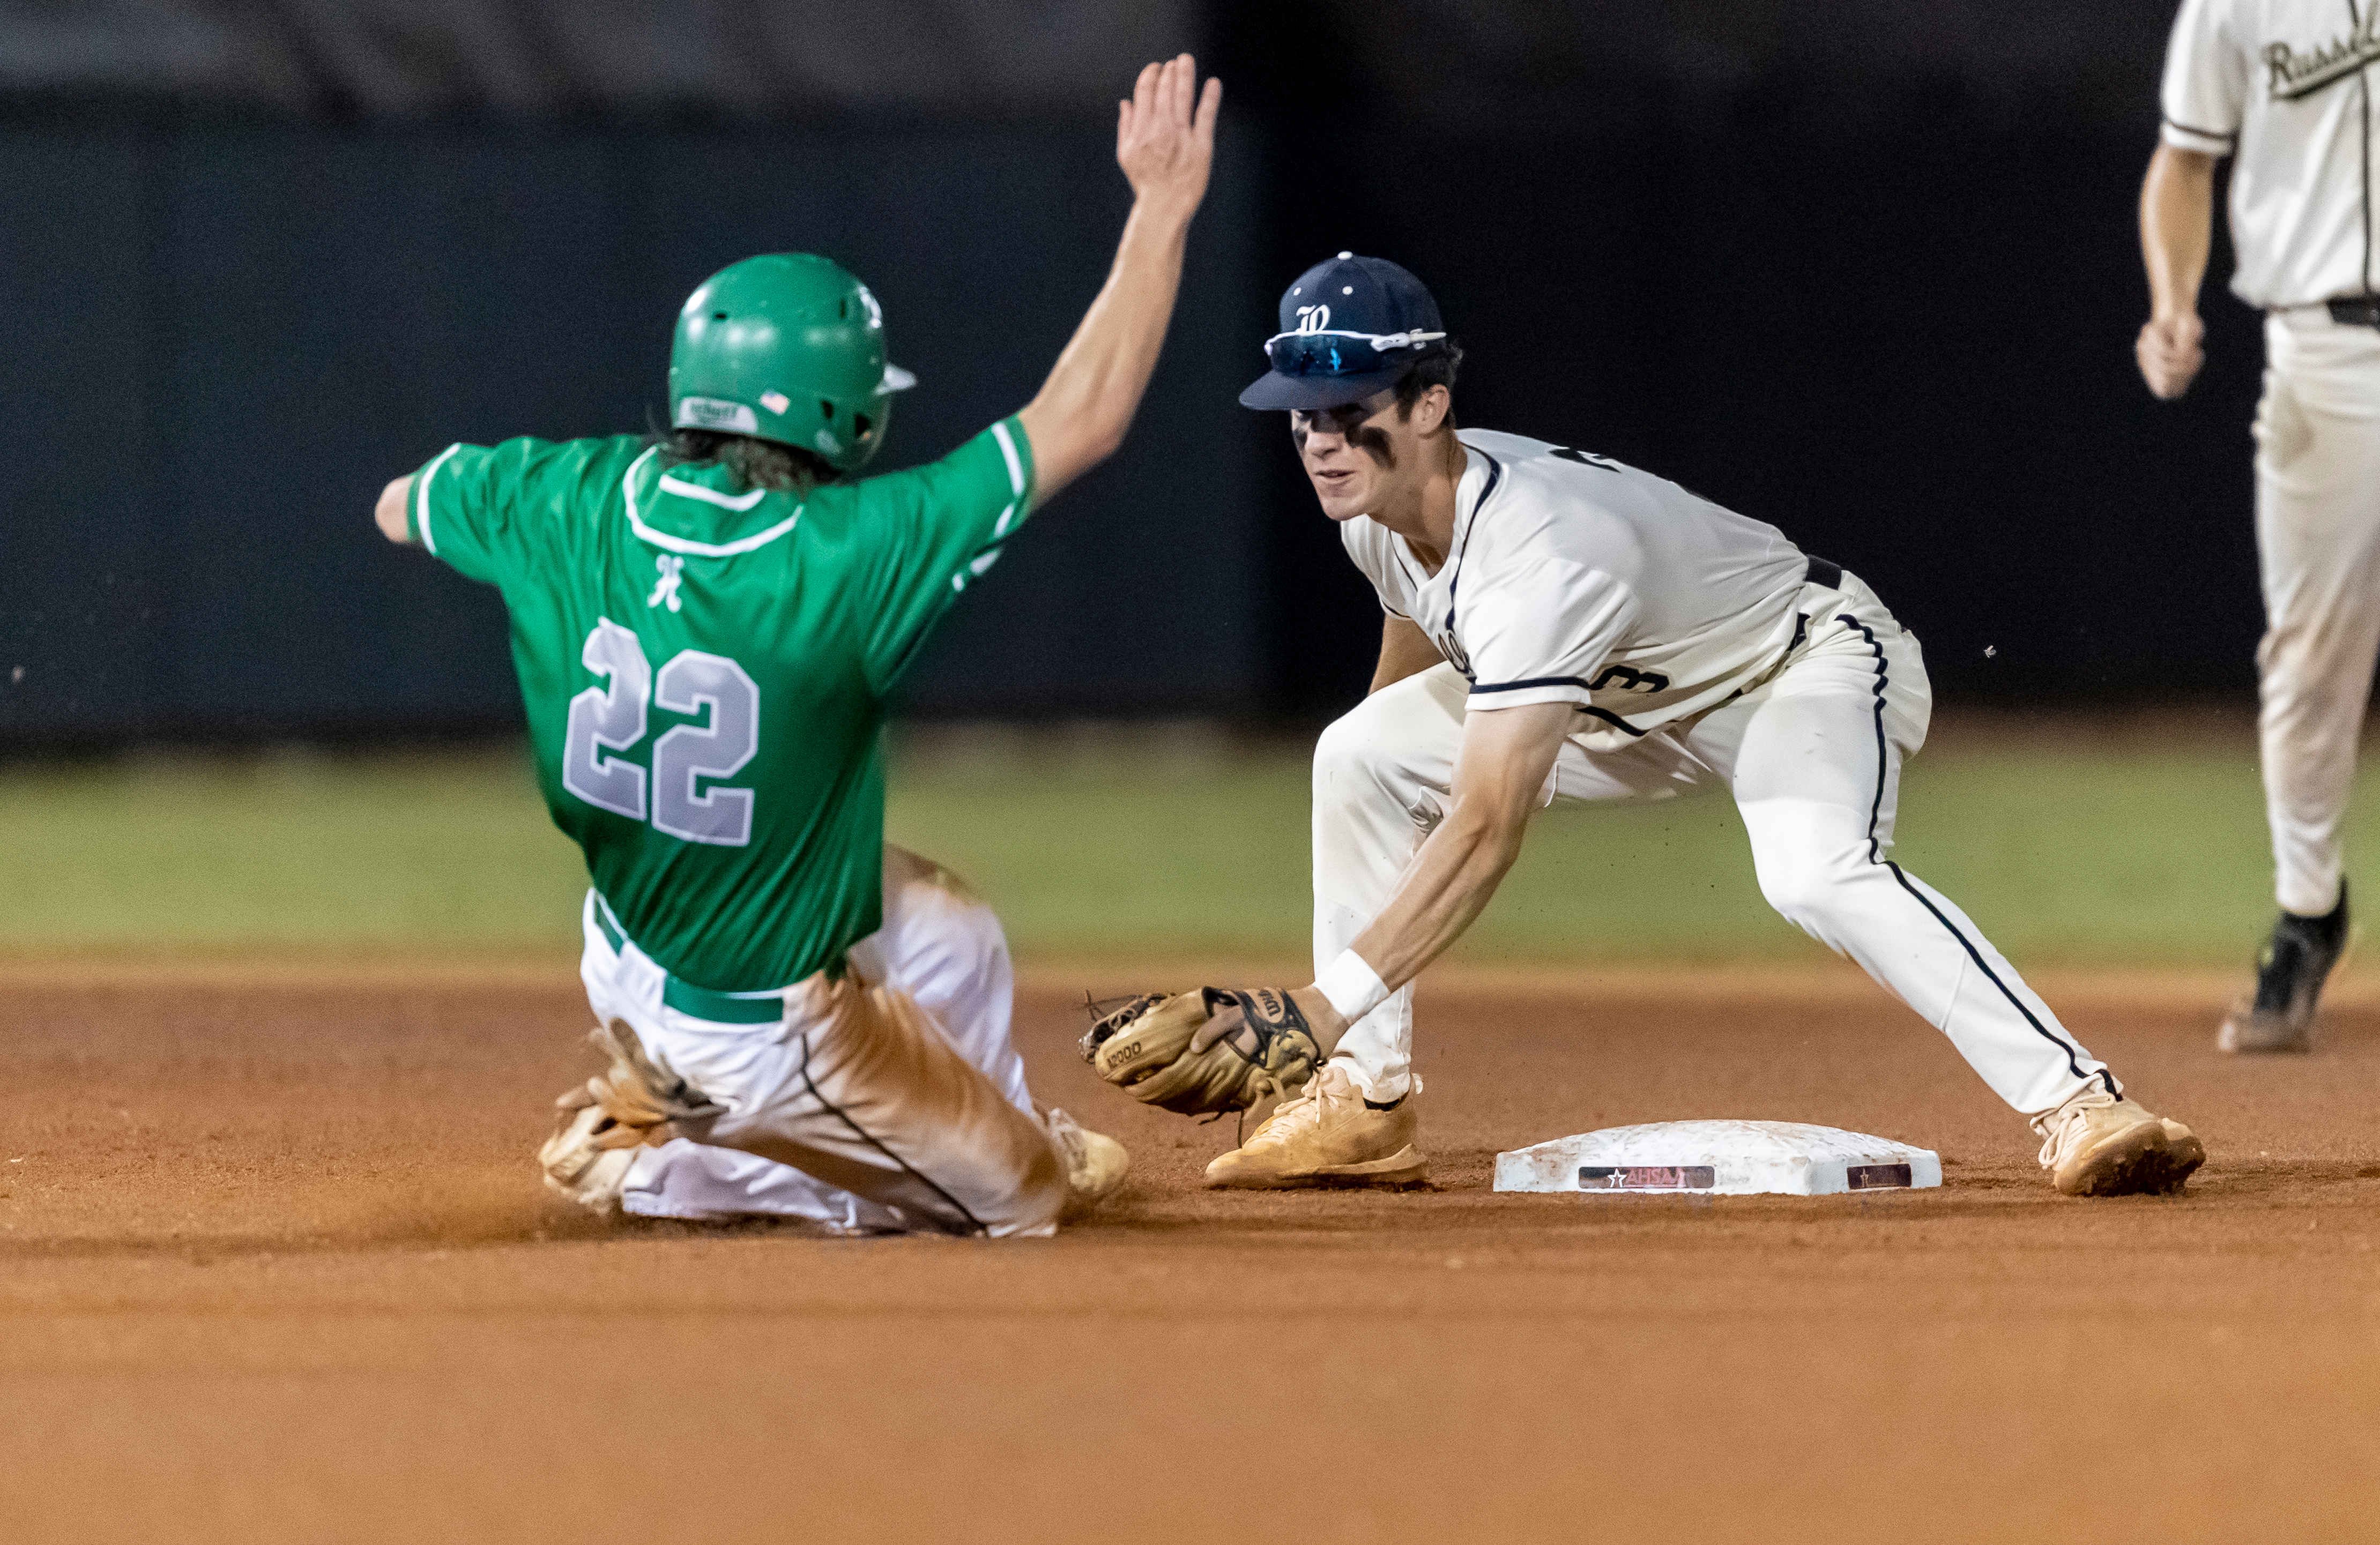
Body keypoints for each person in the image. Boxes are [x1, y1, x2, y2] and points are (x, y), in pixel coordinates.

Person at [371, 55, 1223, 1236]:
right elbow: (1084, 415)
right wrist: (1163, 206)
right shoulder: (852, 551)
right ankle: (675, 1157)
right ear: (845, 414)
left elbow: (403, 501)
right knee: (1022, 1206)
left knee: (951, 931)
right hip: (760, 1027)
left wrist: (491, 521)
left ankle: (737, 1107)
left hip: (629, 943)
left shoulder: (563, 495)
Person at [1182, 252, 2205, 1198]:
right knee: (1358, 753)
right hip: (1620, 700)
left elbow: (1487, 826)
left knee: (1814, 871)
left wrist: (1319, 1007)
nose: (1319, 438)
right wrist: (1382, 797)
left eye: (1347, 408)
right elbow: (1416, 619)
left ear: (1431, 402)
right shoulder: (1375, 510)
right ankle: (1364, 1103)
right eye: (1300, 414)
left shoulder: (1542, 552)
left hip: (1793, 667)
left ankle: (2084, 1103)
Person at [2140, 0, 2368, 1052]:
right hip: (2324, 354)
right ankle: (2308, 910)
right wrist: (2173, 301)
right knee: (2311, 655)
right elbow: (2186, 160)